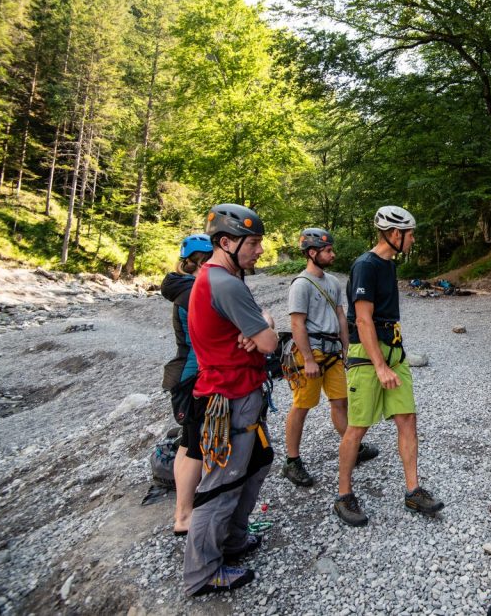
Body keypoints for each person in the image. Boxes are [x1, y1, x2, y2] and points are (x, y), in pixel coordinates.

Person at [183, 204, 278, 597]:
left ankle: (234, 541)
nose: (260, 250)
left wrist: (262, 325)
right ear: (226, 242)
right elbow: (271, 342)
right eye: (253, 243)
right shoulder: (225, 283)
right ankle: (202, 574)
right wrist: (264, 329)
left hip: (240, 394)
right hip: (232, 397)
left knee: (257, 463)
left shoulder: (218, 278)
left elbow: (265, 325)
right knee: (222, 484)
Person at [333, 205, 444, 527]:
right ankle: (343, 496)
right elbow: (363, 319)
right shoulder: (365, 266)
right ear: (395, 235)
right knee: (358, 426)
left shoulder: (388, 265)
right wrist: (380, 366)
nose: (412, 240)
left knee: (407, 418)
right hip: (370, 356)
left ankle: (413, 490)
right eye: (410, 235)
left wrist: (391, 360)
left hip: (393, 350)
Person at [282, 228, 379, 487]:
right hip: (310, 353)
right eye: (327, 250)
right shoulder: (301, 285)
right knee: (302, 405)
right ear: (312, 253)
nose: (332, 254)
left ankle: (352, 447)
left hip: (333, 352)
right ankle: (292, 461)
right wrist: (308, 359)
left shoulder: (333, 282)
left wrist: (347, 349)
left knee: (340, 402)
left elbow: (340, 317)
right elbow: (297, 325)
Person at [160, 233, 213, 535]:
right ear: (201, 261)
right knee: (194, 447)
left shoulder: (183, 287)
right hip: (194, 376)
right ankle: (184, 516)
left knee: (187, 443)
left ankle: (184, 511)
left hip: (186, 374)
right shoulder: (193, 291)